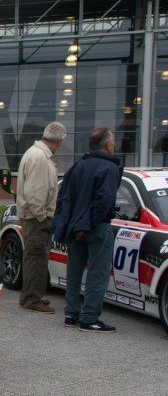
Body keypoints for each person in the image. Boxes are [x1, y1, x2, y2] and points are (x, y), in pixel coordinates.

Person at [51, 127, 121, 332]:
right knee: (97, 273)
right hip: (96, 227)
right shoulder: (109, 168)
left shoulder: (78, 166)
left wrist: (73, 225)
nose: (114, 145)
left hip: (75, 228)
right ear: (107, 145)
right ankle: (89, 318)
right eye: (113, 142)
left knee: (74, 272)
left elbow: (64, 197)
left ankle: (71, 314)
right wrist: (86, 224)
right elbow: (104, 201)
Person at [16, 121, 67, 313]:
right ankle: (31, 299)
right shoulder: (39, 157)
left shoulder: (36, 154)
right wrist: (43, 217)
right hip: (36, 217)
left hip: (33, 215)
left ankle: (31, 295)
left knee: (34, 257)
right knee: (36, 258)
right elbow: (35, 193)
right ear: (59, 141)